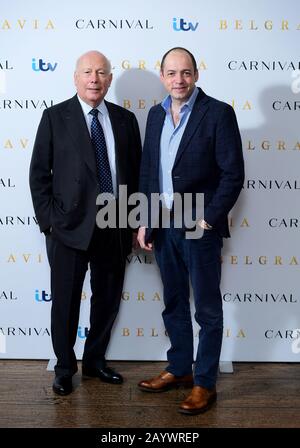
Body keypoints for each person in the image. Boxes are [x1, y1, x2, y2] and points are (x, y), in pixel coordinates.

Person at [137, 47, 244, 414]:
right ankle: (180, 368)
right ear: (162, 76)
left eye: (185, 73)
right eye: (171, 73)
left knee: (208, 309)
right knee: (174, 302)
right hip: (164, 225)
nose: (178, 80)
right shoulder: (154, 115)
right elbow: (149, 171)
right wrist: (145, 218)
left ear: (196, 75)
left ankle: (204, 383)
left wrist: (209, 218)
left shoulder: (218, 113)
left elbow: (233, 174)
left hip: (200, 226)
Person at [30, 51, 141, 395]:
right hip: (68, 229)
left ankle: (95, 361)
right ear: (75, 77)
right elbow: (38, 174)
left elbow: (135, 176)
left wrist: (134, 222)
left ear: (109, 79)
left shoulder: (125, 120)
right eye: (88, 72)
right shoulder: (54, 117)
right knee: (65, 303)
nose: (94, 78)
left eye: (101, 73)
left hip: (115, 225)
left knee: (107, 300)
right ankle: (64, 367)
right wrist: (50, 222)